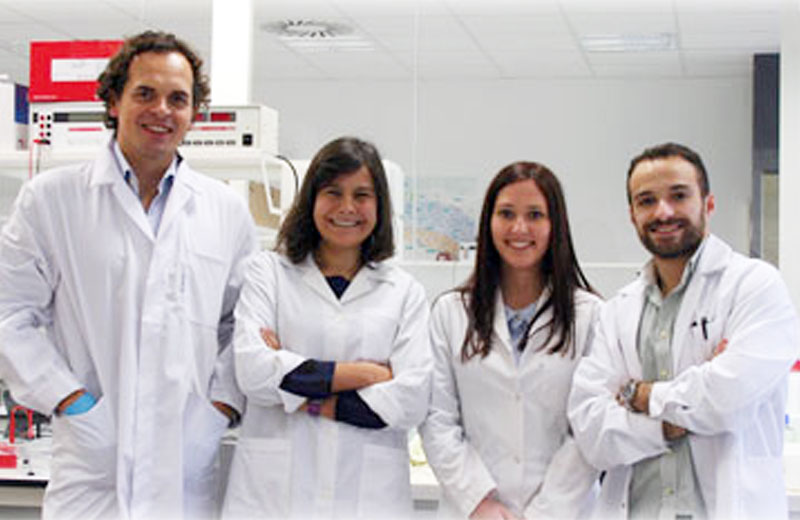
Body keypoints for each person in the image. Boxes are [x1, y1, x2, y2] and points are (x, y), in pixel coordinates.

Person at [0, 31, 256, 519]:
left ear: (193, 113)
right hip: (92, 466)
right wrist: (71, 401)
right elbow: (9, 315)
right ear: (115, 101)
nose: (162, 110)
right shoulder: (52, 200)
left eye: (177, 99)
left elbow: (241, 329)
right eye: (145, 93)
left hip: (185, 464)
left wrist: (218, 409)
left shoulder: (224, 210)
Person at [568, 142, 800, 519]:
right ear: (632, 215)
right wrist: (672, 423)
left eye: (678, 195)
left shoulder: (755, 287)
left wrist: (638, 394)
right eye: (646, 201)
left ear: (708, 204)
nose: (663, 212)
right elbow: (591, 433)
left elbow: (728, 399)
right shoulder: (617, 311)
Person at [221, 136, 432, 519]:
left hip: (368, 500)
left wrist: (299, 387)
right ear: (311, 200)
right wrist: (365, 374)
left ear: (379, 205)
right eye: (333, 192)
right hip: (276, 499)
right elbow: (253, 371)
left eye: (361, 195)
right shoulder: (268, 273)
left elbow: (411, 401)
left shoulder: (404, 293)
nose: (347, 207)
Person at [419, 162, 601, 519]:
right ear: (489, 222)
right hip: (474, 511)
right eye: (506, 214)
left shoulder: (590, 315)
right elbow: (437, 418)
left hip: (566, 511)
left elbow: (588, 429)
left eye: (535, 215)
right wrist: (479, 501)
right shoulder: (451, 313)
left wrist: (544, 513)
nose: (519, 228)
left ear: (555, 225)